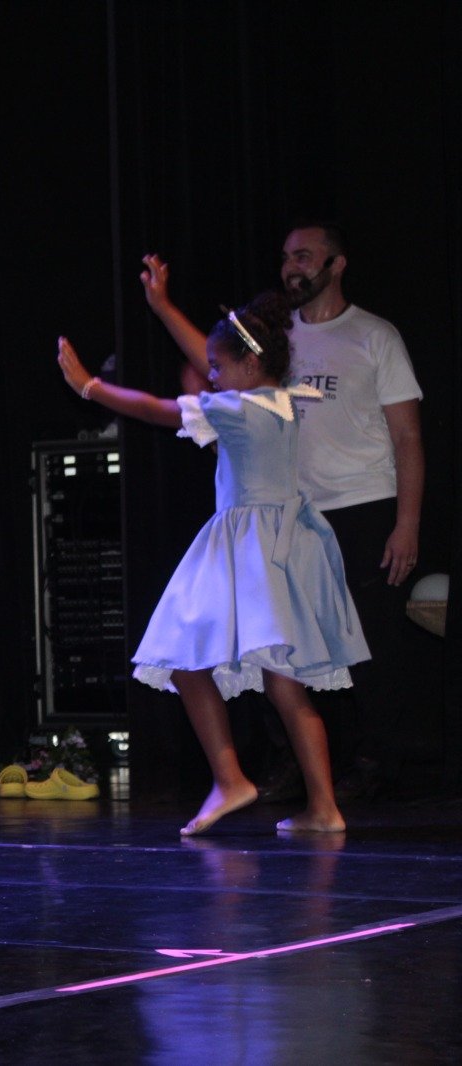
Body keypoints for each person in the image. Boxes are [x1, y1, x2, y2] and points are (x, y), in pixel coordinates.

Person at [56, 293, 368, 835]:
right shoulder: (282, 400)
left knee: (182, 654)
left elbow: (156, 409)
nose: (212, 376)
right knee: (283, 684)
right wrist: (162, 306)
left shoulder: (238, 410)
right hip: (281, 545)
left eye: (218, 368)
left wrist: (90, 386)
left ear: (248, 364)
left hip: (248, 546)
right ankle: (323, 806)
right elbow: (219, 359)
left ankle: (230, 779)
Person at [139, 228, 424, 799]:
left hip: (360, 504)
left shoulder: (373, 336)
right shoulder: (274, 342)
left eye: (304, 257)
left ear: (336, 265)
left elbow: (408, 436)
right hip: (290, 513)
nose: (292, 267)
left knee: (361, 646)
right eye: (287, 257)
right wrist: (164, 306)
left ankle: (374, 766)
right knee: (278, 649)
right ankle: (298, 772)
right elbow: (216, 367)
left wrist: (407, 522)